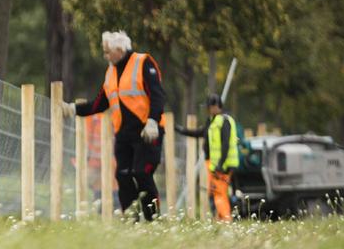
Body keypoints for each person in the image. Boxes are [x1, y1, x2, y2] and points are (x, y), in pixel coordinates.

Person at [64, 31, 165, 220]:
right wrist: (72, 109)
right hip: (124, 134)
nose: (105, 56)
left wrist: (153, 121)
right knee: (123, 176)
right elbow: (99, 104)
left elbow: (158, 95)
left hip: (147, 132)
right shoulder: (110, 72)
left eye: (107, 52)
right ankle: (131, 219)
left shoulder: (143, 62)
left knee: (142, 173)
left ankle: (154, 219)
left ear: (119, 50)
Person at [174, 94, 240, 221]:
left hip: (223, 165)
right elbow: (201, 132)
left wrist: (221, 164)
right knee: (215, 193)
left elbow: (225, 144)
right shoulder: (213, 121)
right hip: (214, 164)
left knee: (219, 193)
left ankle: (226, 220)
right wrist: (182, 130)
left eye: (209, 107)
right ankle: (220, 218)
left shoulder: (224, 121)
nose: (208, 110)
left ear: (216, 106)